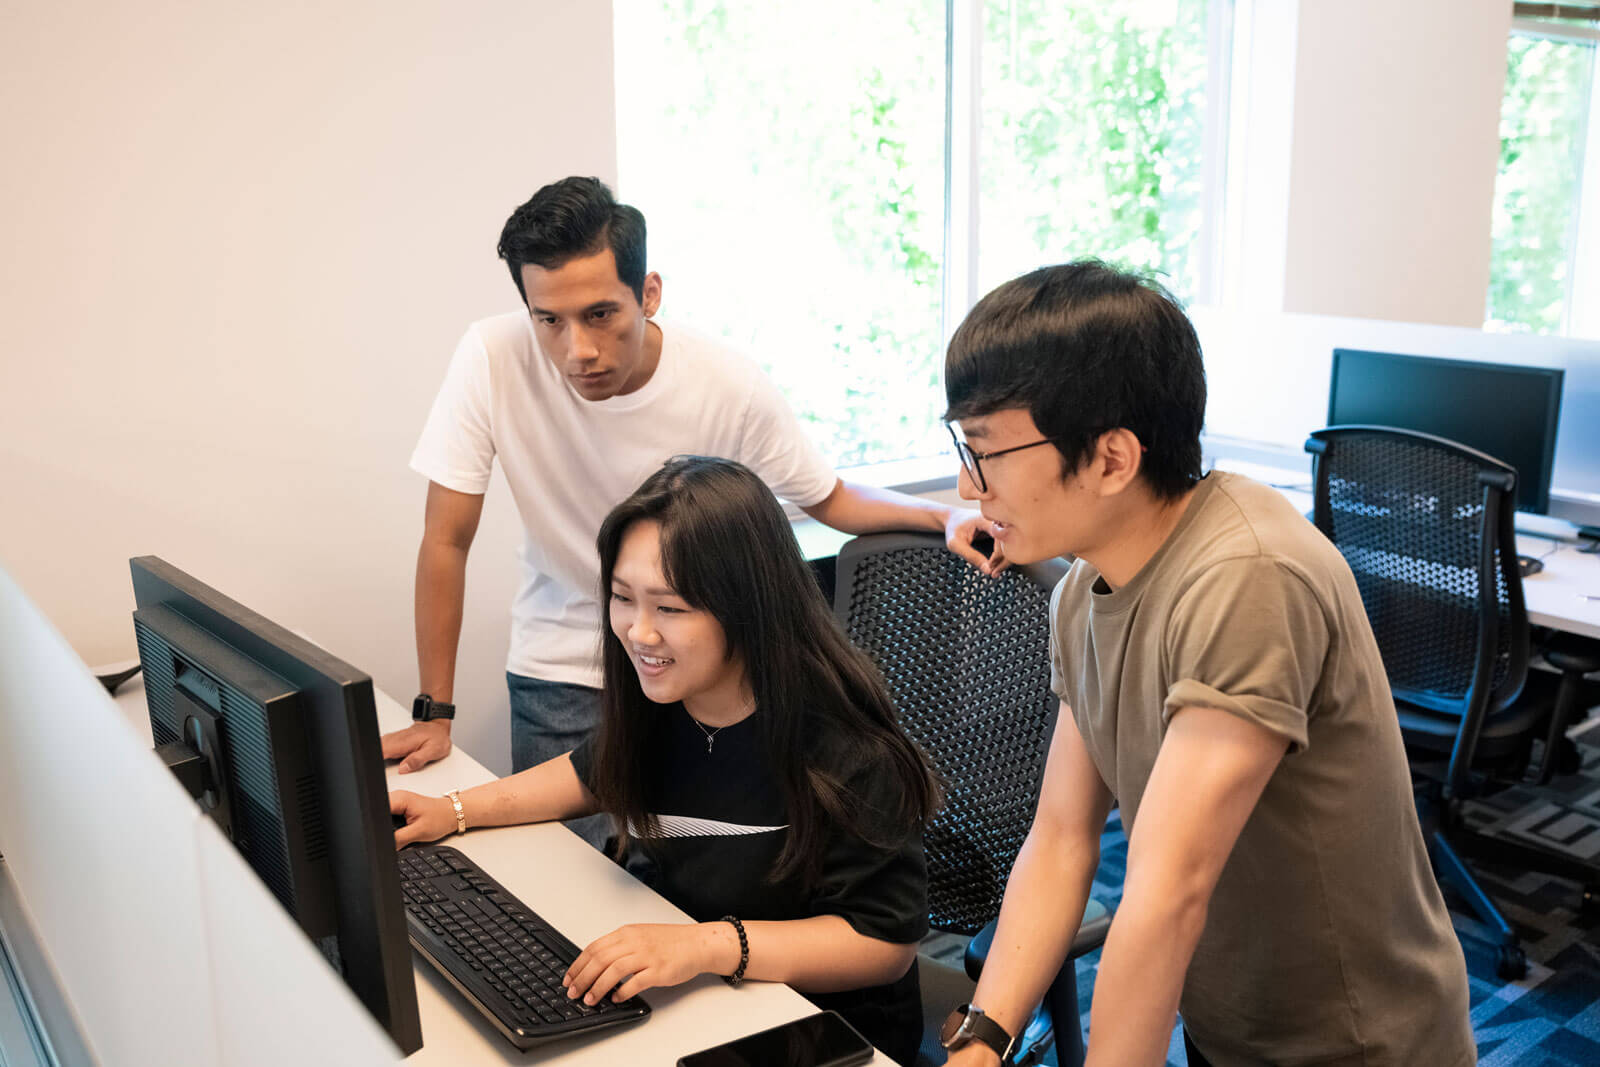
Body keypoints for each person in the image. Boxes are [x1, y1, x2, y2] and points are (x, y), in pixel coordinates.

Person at [936, 262, 1474, 1067]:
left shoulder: (1249, 577)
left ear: (1113, 458)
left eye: (988, 454)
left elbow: (1166, 893)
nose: (966, 485)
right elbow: (1061, 837)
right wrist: (984, 1036)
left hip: (1358, 1044)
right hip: (1228, 1022)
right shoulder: (1084, 591)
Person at [383, 177, 996, 845]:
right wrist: (434, 711)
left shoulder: (724, 383)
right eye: (548, 321)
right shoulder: (491, 356)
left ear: (649, 293)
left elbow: (830, 497)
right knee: (556, 875)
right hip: (560, 662)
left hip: (699, 670)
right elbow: (446, 538)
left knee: (686, 880)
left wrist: (942, 519)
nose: (576, 350)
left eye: (599, 315)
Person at [391, 456, 938, 1065]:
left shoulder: (849, 749)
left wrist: (706, 947)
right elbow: (588, 773)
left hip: (814, 1029)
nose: (639, 632)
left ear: (748, 607)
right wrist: (454, 811)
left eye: (670, 608)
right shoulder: (669, 695)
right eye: (623, 598)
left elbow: (884, 943)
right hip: (699, 990)